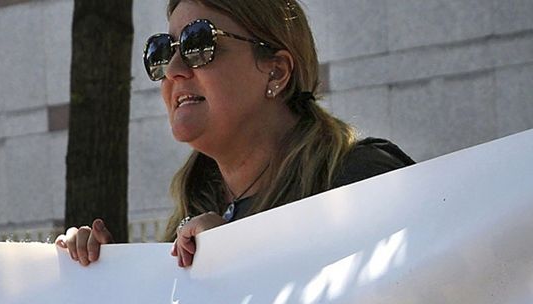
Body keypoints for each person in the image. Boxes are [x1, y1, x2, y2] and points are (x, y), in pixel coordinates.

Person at [57, 0, 414, 267]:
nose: (174, 70)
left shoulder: (365, 179)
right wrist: (107, 276)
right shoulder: (194, 209)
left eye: (199, 44)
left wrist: (238, 256)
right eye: (163, 52)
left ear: (275, 72)